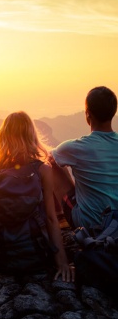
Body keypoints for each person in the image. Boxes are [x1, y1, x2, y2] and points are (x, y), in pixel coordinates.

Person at [0, 111, 74, 282]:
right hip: (36, 252)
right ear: (31, 135)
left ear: (4, 136)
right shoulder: (43, 169)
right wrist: (62, 262)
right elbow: (50, 218)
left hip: (1, 255)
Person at [50, 86, 118, 231]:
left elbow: (48, 158)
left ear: (88, 114)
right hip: (116, 222)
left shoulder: (75, 148)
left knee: (52, 166)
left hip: (90, 223)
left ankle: (58, 220)